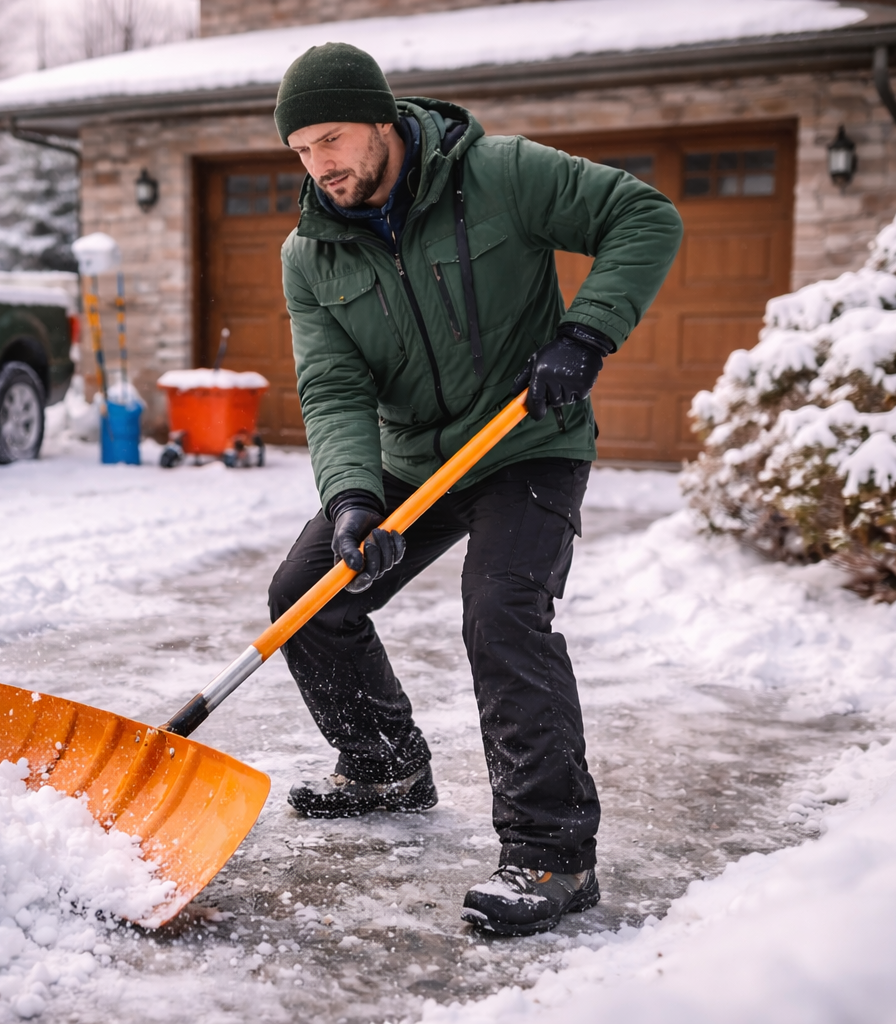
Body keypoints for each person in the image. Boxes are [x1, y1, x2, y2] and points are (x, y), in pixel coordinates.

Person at [267, 42, 682, 937]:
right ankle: (384, 767)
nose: (318, 164)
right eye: (300, 149)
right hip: (411, 457)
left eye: (331, 139)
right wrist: (353, 499)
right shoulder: (311, 253)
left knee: (501, 612)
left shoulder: (500, 174)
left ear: (382, 121)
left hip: (527, 440)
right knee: (307, 597)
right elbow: (333, 387)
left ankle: (552, 854)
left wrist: (586, 333)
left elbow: (643, 215)